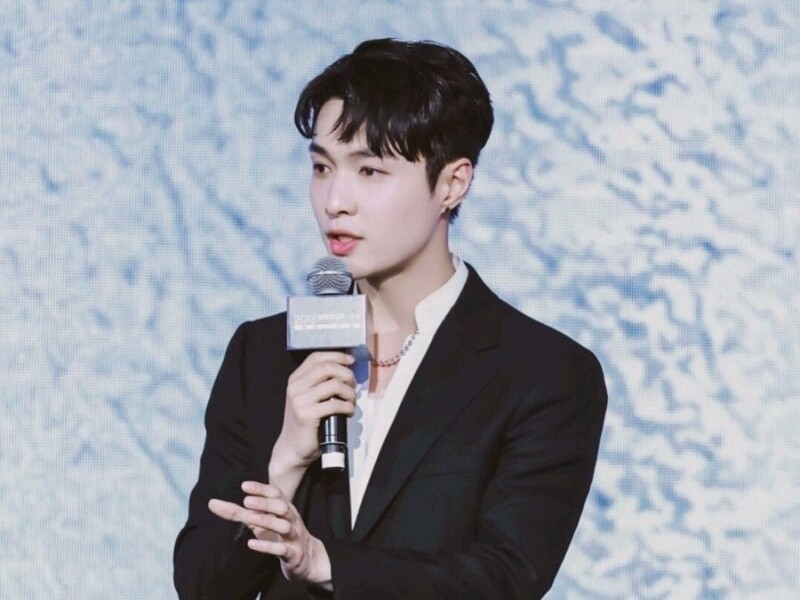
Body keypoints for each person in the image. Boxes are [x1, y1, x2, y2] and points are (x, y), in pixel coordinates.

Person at [173, 38, 607, 599]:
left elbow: (506, 578)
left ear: (452, 183)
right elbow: (203, 588)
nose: (335, 201)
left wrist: (326, 563)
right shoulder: (262, 354)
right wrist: (283, 464)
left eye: (370, 171)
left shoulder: (543, 373)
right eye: (322, 168)